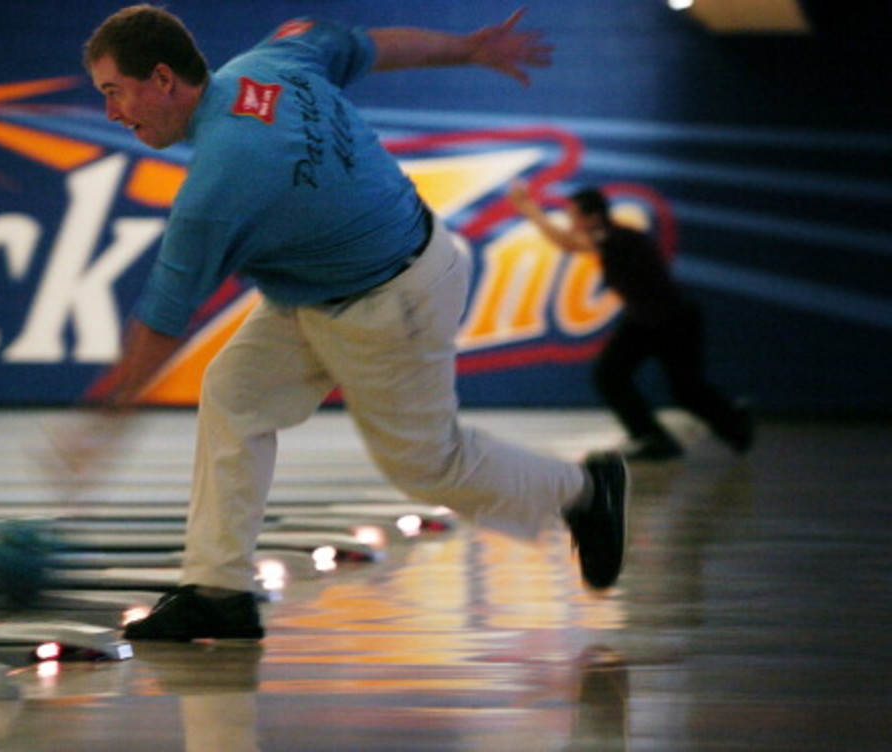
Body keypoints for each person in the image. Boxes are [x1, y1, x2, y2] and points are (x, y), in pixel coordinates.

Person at [81, 4, 628, 642]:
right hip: (328, 287)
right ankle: (218, 590)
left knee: (427, 466)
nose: (113, 113)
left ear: (165, 79)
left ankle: (584, 490)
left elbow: (162, 323)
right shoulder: (273, 61)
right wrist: (468, 49)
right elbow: (370, 46)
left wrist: (105, 419)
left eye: (115, 93)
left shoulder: (218, 184)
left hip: (391, 298)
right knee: (236, 392)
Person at [509, 182, 754, 460]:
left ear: (593, 217)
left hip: (671, 320)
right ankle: (657, 436)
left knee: (682, 388)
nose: (572, 223)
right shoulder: (616, 236)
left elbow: (567, 242)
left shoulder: (615, 237)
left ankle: (729, 423)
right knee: (612, 376)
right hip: (647, 319)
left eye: (575, 216)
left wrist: (528, 208)